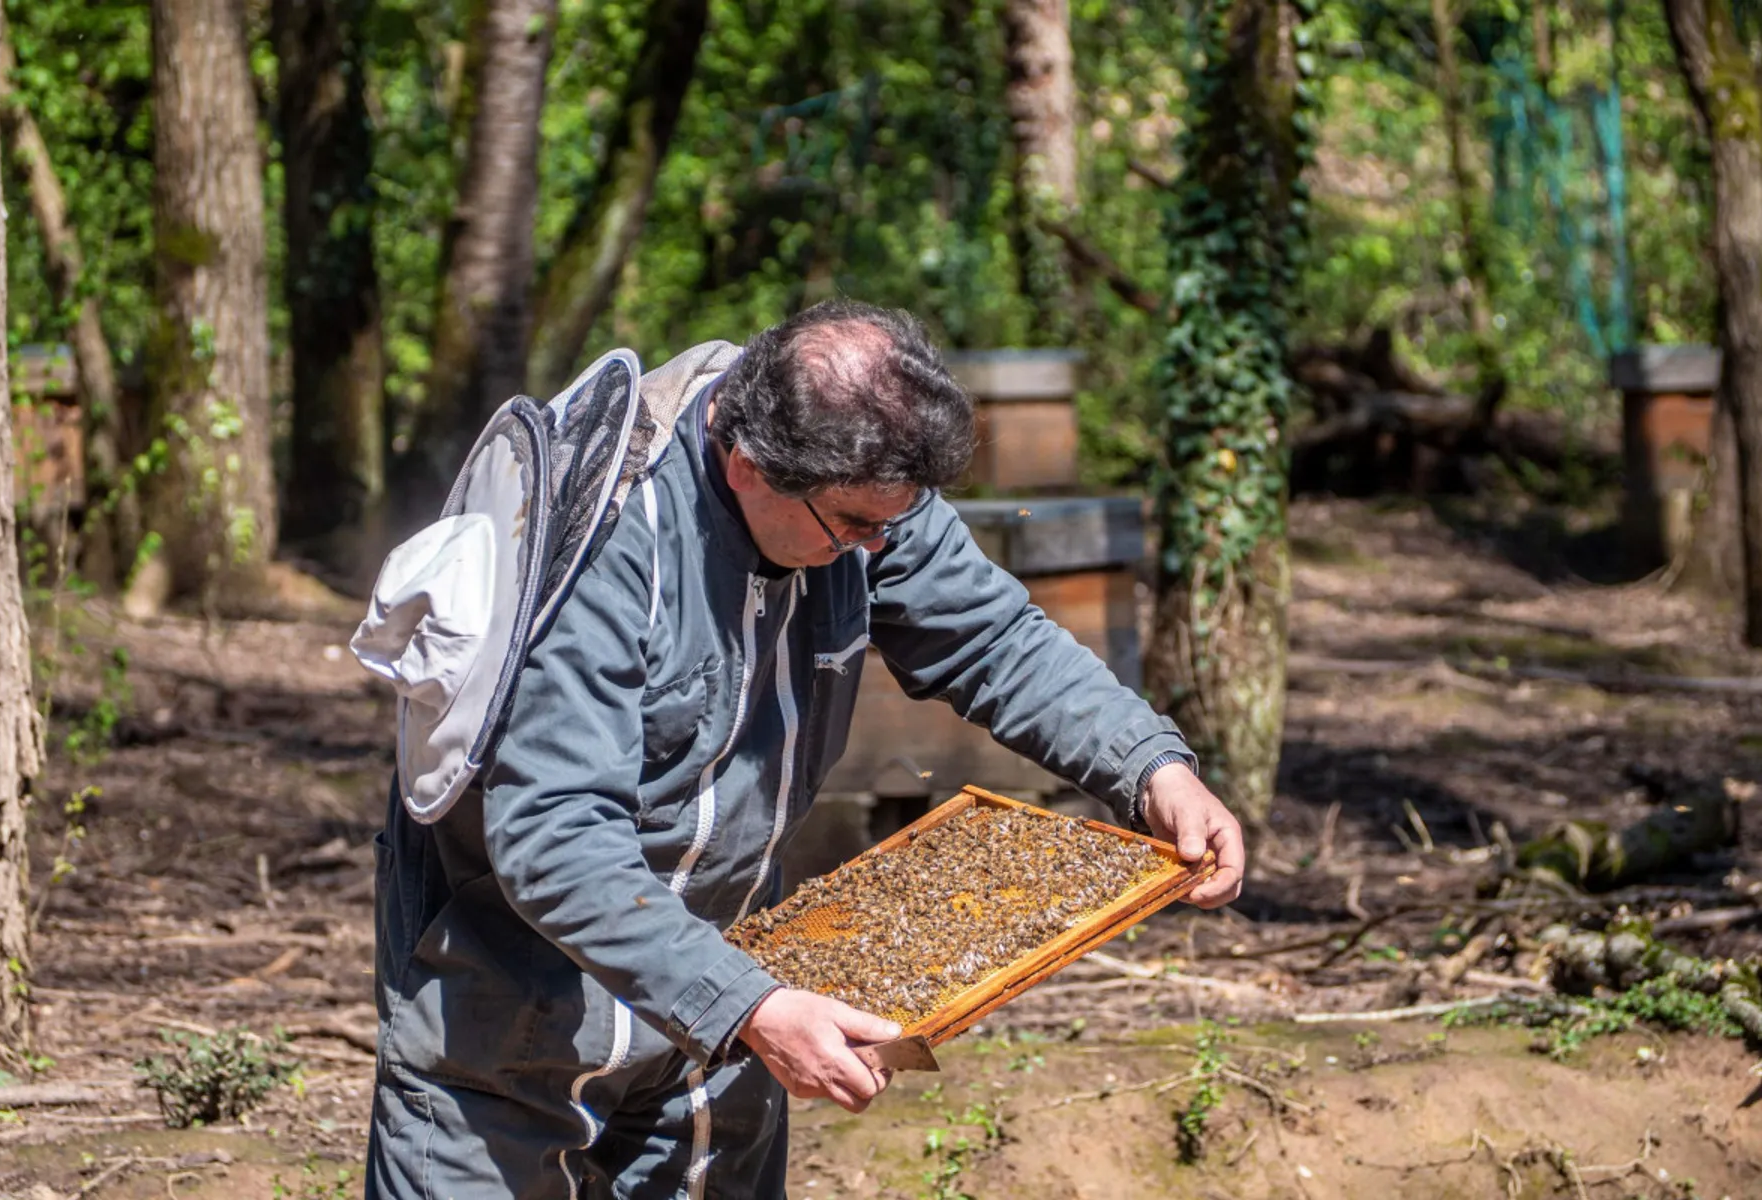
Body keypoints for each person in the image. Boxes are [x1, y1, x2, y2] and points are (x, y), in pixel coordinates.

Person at [365, 299, 1246, 1199]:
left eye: (892, 523)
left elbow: (992, 639)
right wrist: (747, 1004)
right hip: (510, 1004)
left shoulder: (856, 477)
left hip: (727, 1001)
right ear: (749, 466)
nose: (877, 545)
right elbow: (554, 835)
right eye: (854, 526)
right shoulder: (607, 544)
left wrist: (1150, 766)